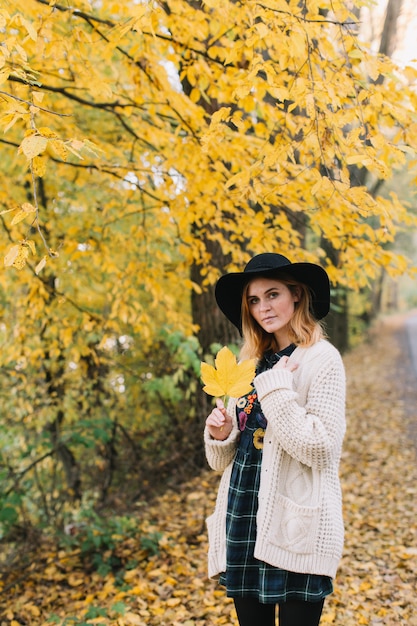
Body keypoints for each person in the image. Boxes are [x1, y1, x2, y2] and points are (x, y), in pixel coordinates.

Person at [204, 253, 346, 626]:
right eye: (253, 300)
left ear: (296, 295)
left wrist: (278, 391)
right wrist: (221, 435)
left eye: (273, 294)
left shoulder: (322, 359)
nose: (263, 308)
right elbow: (223, 460)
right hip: (244, 512)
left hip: (295, 520)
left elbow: (319, 448)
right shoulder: (249, 363)